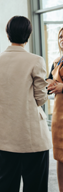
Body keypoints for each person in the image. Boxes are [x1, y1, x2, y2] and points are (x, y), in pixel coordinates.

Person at [0, 16, 51, 192]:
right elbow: (41, 98)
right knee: (35, 184)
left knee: (4, 182)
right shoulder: (35, 60)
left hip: (3, 134)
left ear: (8, 34)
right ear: (28, 35)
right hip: (30, 134)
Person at [46, 27, 63, 191]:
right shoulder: (57, 60)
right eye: (60, 36)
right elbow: (50, 84)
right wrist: (47, 84)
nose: (62, 39)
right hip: (59, 115)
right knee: (60, 157)